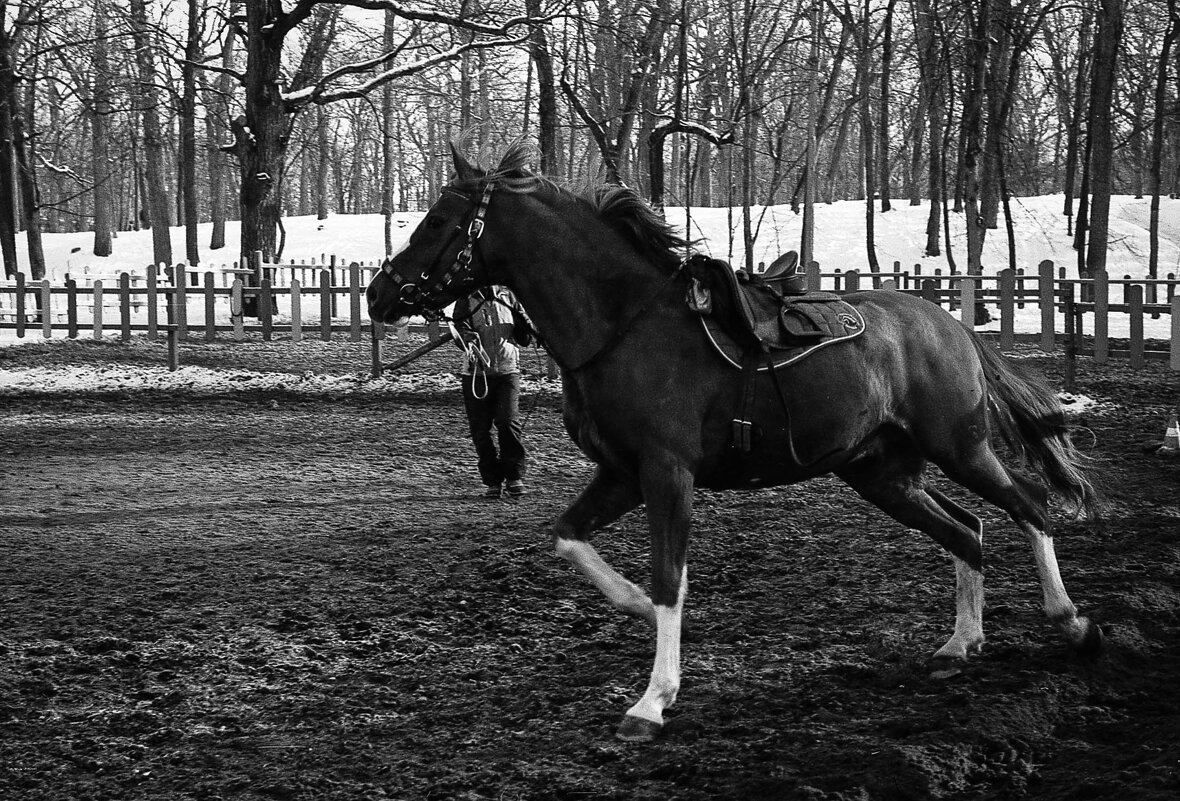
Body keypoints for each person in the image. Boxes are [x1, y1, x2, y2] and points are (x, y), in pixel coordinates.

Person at [451, 285, 532, 499]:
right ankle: (492, 480)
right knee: (480, 430)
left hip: (508, 370)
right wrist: (469, 341)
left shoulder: (510, 295)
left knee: (508, 422)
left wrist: (526, 322)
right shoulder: (466, 299)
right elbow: (459, 327)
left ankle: (514, 476)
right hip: (476, 373)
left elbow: (524, 338)